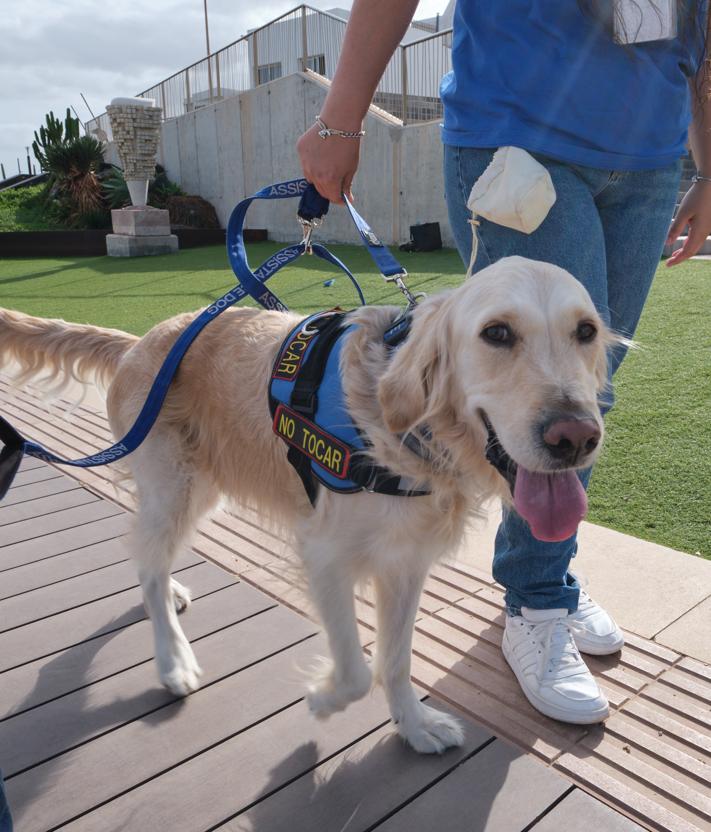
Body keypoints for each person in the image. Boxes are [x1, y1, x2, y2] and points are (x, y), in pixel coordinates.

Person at [297, 0, 711, 724]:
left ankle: (544, 578)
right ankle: (536, 601)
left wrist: (706, 167)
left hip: (648, 160)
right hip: (521, 137)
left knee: (585, 394)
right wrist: (340, 118)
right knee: (542, 400)